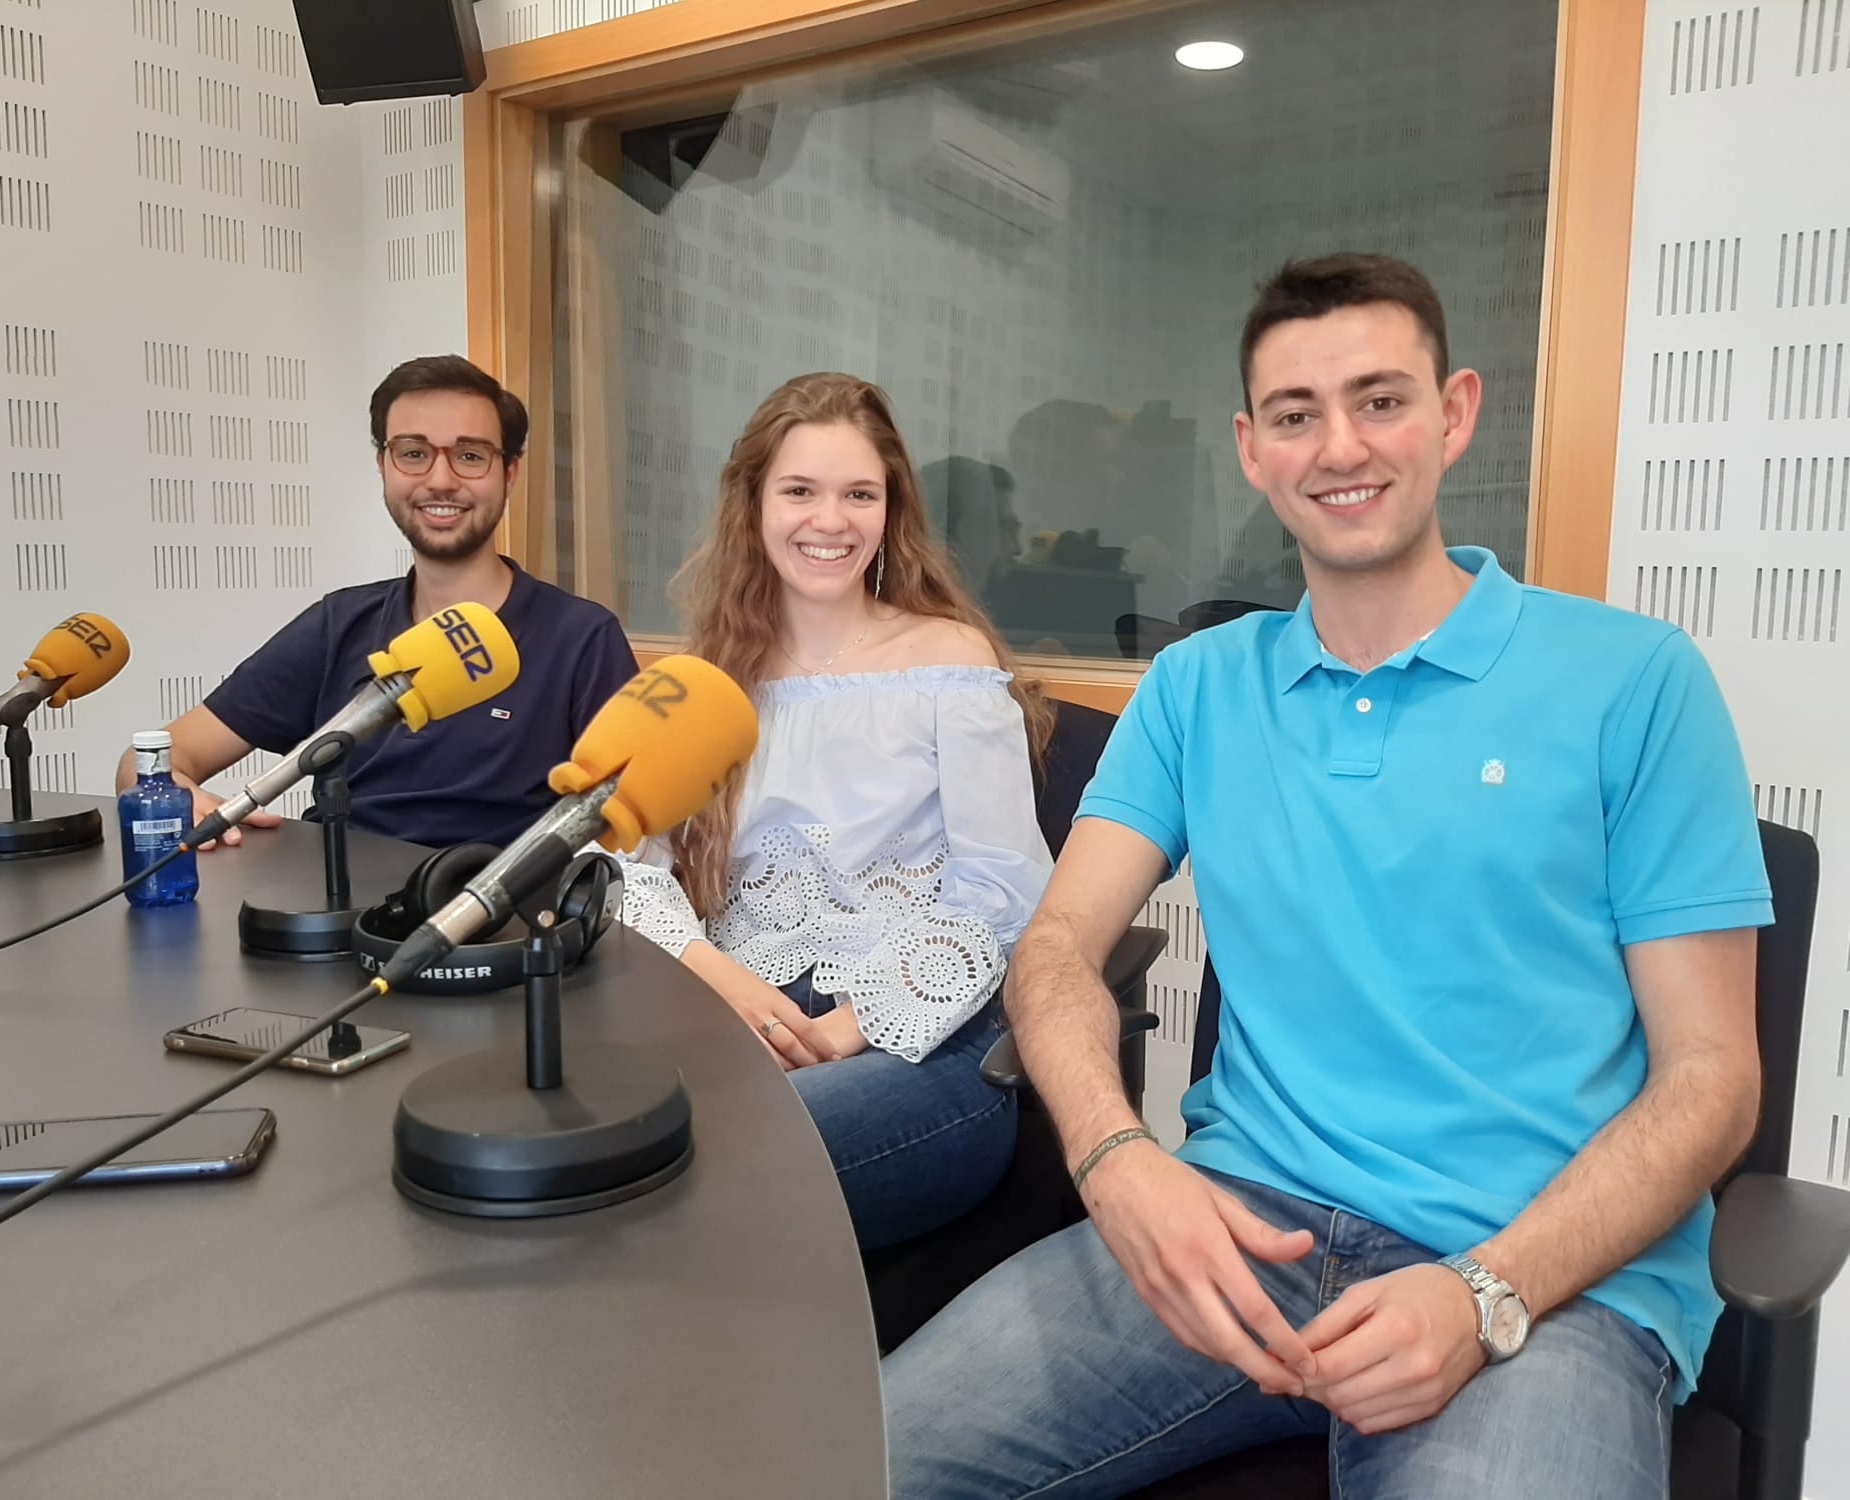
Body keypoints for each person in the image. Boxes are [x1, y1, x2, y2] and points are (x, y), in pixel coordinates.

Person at [885, 254, 1772, 1498]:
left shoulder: (1634, 680)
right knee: (844, 1456)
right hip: (1236, 1223)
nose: (1338, 446)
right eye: (1296, 415)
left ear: (1453, 413)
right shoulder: (1197, 686)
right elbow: (1051, 954)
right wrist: (1119, 1162)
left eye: (1380, 399)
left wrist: (1482, 1295)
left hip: (1541, 1273)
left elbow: (1711, 1082)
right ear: (1252, 450)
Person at [619, 372, 1056, 1251]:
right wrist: (726, 981)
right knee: (588, 1159)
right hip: (741, 1013)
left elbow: (1004, 890)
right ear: (754, 505)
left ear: (890, 511)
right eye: (800, 491)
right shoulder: (709, 679)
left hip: (921, 1039)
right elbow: (627, 869)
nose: (831, 521)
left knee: (708, 1180)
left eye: (860, 494)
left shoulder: (948, 659)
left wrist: (848, 1026)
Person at [115, 355, 638, 850]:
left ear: (510, 473)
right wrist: (180, 800)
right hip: (337, 916)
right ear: (384, 466)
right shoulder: (339, 626)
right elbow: (153, 759)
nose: (440, 479)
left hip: (499, 925)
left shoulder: (581, 639)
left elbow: (636, 835)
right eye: (413, 453)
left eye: (470, 456)